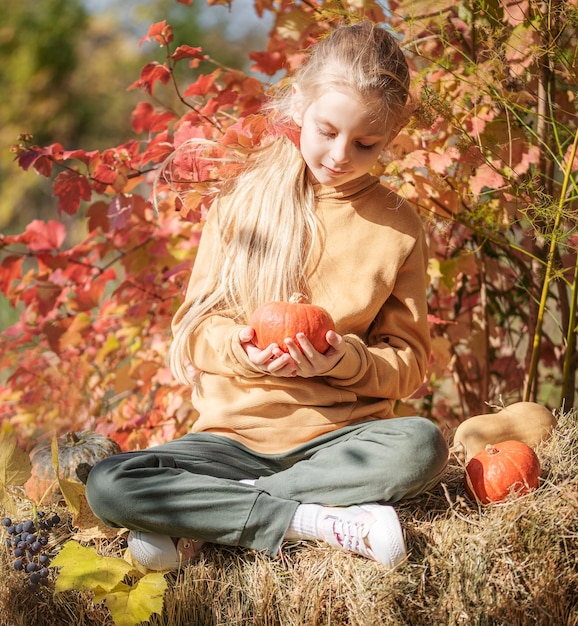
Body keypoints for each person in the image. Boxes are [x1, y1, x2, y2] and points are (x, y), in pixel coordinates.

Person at [86, 20, 449, 571]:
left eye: (365, 143)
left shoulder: (398, 226)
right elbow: (195, 332)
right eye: (327, 130)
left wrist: (346, 361)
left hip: (339, 444)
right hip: (228, 444)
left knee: (422, 446)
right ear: (300, 105)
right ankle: (306, 519)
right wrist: (240, 348)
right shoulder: (243, 202)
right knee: (109, 484)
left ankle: (211, 517)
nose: (339, 154)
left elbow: (408, 364)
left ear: (391, 136)